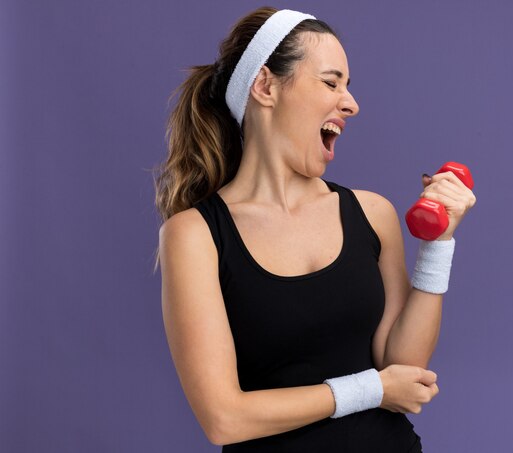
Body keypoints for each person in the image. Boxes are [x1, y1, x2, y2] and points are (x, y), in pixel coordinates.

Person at [152, 6, 476, 452]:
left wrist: (439, 245)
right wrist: (369, 390)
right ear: (266, 86)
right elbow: (224, 419)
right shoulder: (195, 235)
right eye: (331, 82)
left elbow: (403, 368)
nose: (351, 103)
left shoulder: (371, 213)